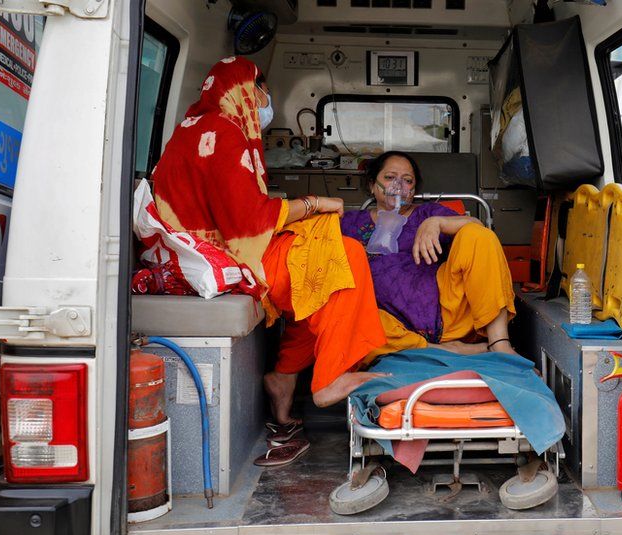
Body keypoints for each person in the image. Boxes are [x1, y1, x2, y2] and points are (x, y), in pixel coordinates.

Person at [149, 57, 387, 463]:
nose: (265, 100)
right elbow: (251, 222)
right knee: (341, 256)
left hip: (198, 250)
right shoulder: (222, 133)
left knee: (317, 273)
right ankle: (330, 378)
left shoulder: (193, 130)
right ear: (242, 90)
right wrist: (312, 203)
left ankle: (283, 377)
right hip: (220, 256)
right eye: (261, 89)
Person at [340, 151, 518, 358]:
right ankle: (445, 349)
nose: (398, 185)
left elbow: (478, 229)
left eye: (407, 180)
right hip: (390, 325)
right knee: (350, 317)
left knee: (478, 235)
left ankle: (499, 342)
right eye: (389, 177)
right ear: (372, 184)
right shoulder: (351, 223)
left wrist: (437, 223)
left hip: (449, 313)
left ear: (414, 189)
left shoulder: (428, 214)